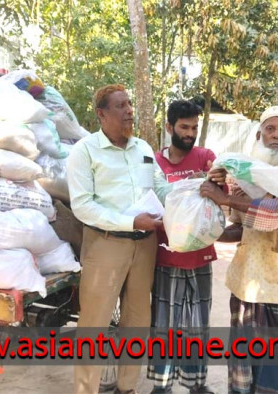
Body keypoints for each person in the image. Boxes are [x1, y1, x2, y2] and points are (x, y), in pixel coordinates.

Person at [200, 105, 278, 394]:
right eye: (270, 129)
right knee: (243, 359)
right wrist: (206, 230)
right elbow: (242, 226)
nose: (276, 135)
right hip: (245, 281)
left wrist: (225, 199)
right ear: (259, 134)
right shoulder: (247, 173)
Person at [67, 84, 172, 394]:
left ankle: (127, 388)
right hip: (105, 244)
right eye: (121, 106)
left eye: (130, 104)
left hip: (144, 244)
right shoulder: (85, 151)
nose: (129, 111)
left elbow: (159, 188)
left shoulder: (142, 148)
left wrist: (187, 195)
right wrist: (129, 221)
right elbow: (83, 205)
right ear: (102, 114)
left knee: (137, 320)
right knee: (94, 324)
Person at [147, 100, 217, 394]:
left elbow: (218, 190)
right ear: (169, 127)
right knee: (164, 326)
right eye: (184, 127)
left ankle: (196, 385)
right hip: (166, 256)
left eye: (194, 128)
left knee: (197, 325)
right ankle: (161, 386)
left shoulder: (206, 157)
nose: (190, 133)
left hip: (200, 256)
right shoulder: (153, 163)